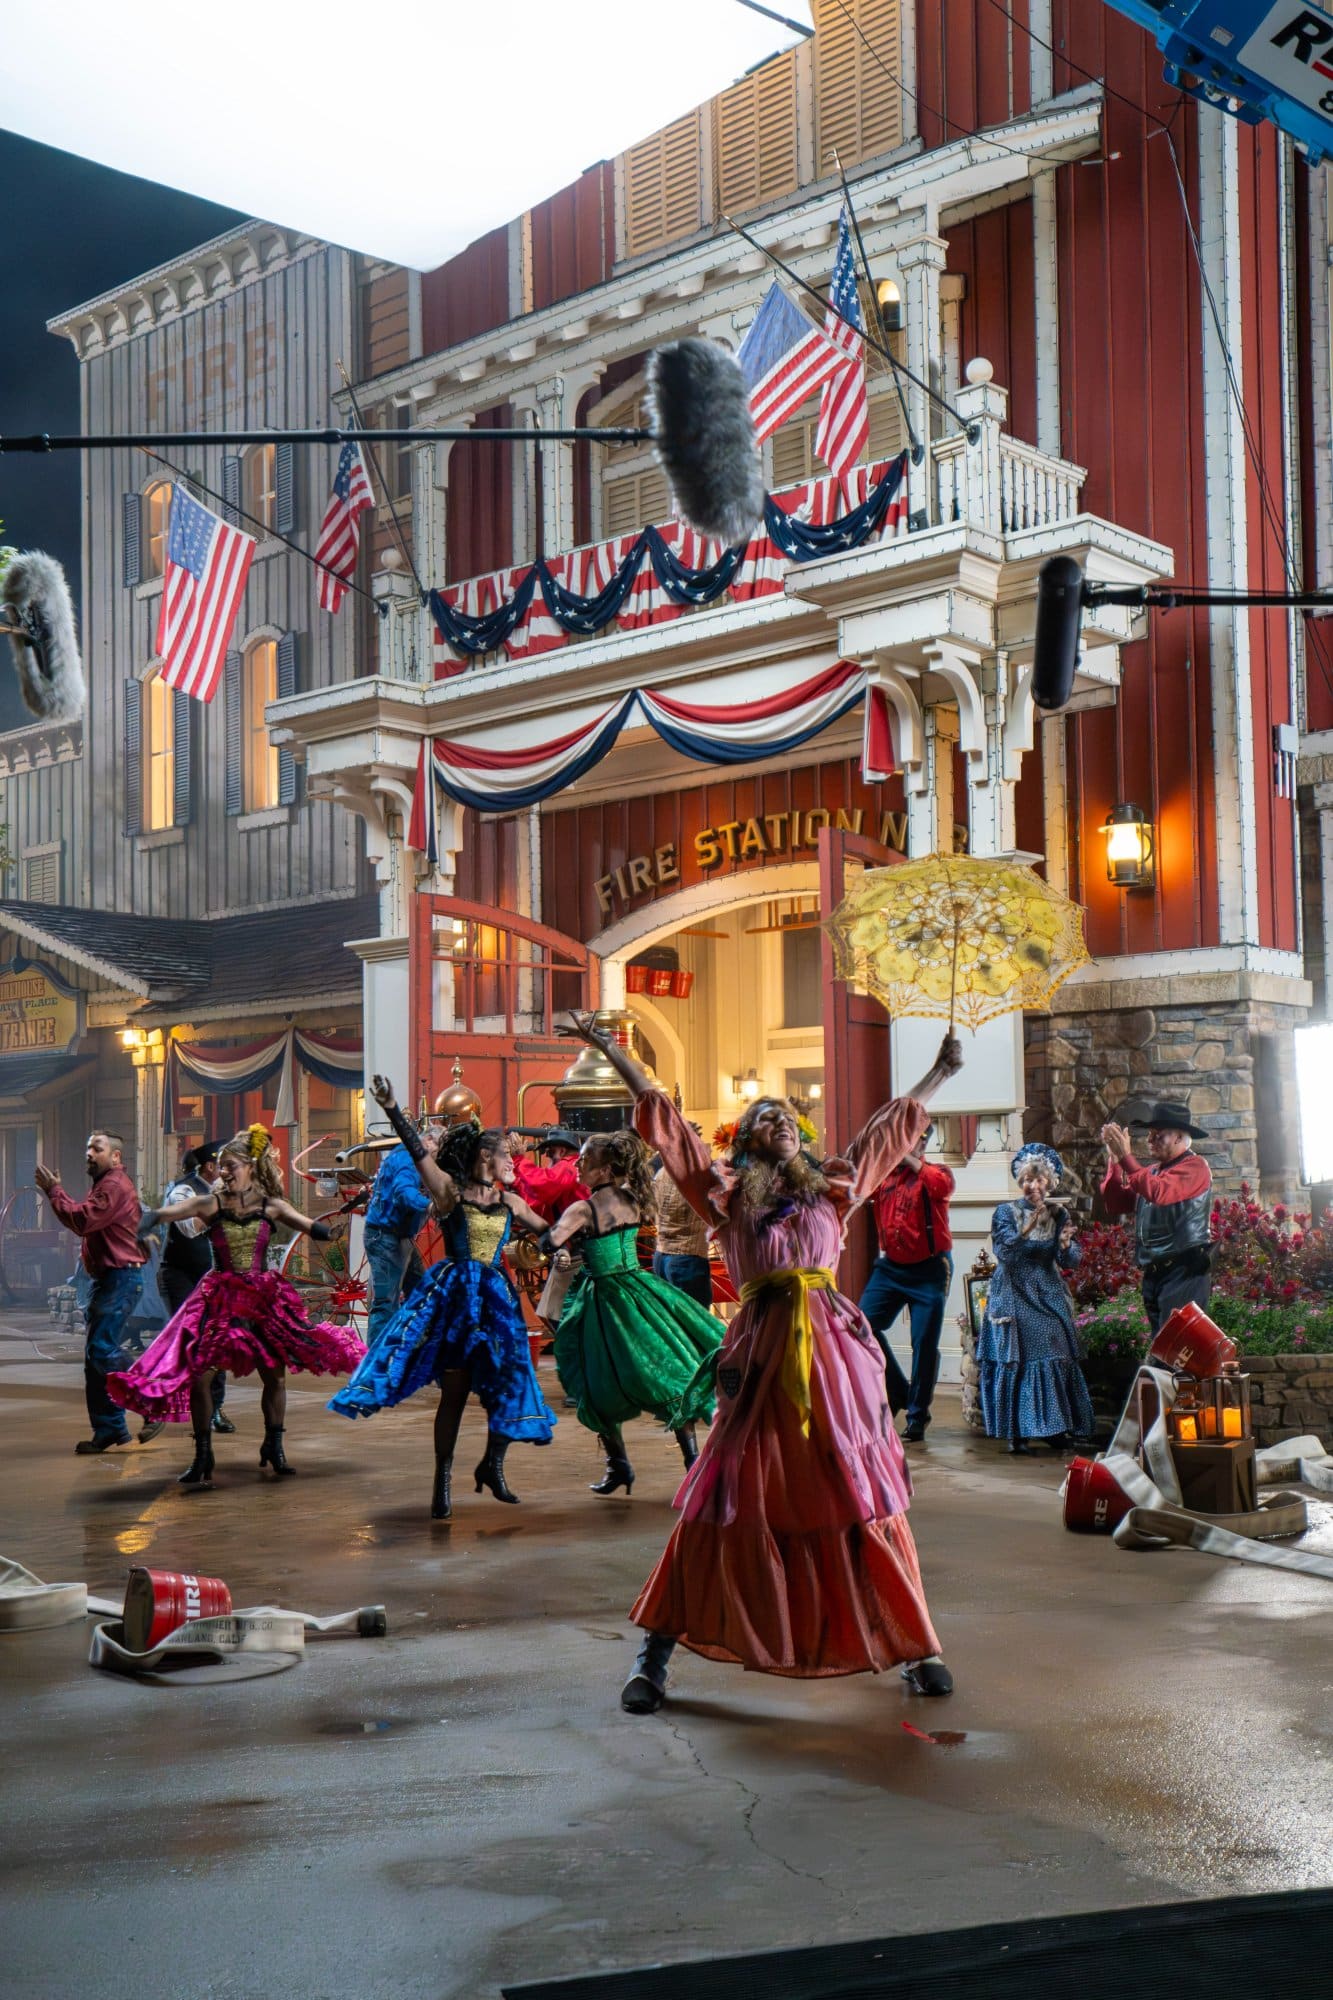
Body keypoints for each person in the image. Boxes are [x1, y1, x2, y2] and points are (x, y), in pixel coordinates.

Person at [557, 1013, 963, 1716]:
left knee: (856, 1492)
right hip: (758, 1355)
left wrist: (940, 1072)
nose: (779, 1119)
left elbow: (883, 1134)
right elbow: (670, 1127)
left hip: (833, 1356)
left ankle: (913, 1644)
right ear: (745, 1142)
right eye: (764, 1116)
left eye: (786, 1116)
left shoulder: (831, 1188)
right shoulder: (721, 1197)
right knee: (725, 1492)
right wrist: (608, 1050)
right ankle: (653, 1657)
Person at [330, 1077, 556, 1520]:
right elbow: (417, 1152)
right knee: (454, 1394)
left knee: (507, 1386)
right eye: (506, 1154)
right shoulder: (450, 1193)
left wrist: (564, 1247)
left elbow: (546, 1230)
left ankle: (493, 1464)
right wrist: (393, 1106)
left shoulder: (509, 1201)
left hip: (495, 1300)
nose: (513, 1160)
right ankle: (443, 1480)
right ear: (484, 1157)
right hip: (457, 1301)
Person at [109, 1125, 365, 1489]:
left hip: (263, 1297)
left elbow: (312, 1228)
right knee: (201, 1375)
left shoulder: (271, 1205)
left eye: (229, 1165)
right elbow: (163, 1214)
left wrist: (340, 1224)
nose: (222, 1171)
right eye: (220, 1165)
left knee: (274, 1375)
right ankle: (202, 1456)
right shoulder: (209, 1203)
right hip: (221, 1296)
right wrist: (145, 1227)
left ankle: (274, 1447)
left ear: (250, 1166)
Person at [546, 1128, 720, 1495]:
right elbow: (601, 1246)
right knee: (662, 1369)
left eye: (586, 1162)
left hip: (606, 1298)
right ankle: (653, 1466)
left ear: (606, 1170)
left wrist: (543, 1233)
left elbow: (551, 1239)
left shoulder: (583, 1208)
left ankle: (631, 1465)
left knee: (599, 1380)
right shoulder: (633, 1198)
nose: (577, 1165)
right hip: (638, 1288)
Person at [976, 1143, 1094, 1456]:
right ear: (1020, 1180)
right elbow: (1004, 1254)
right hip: (1014, 1291)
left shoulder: (1059, 1214)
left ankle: (1053, 1426)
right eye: (1027, 1179)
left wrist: (1067, 1245)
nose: (1033, 1186)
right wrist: (1026, 1228)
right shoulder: (1005, 1212)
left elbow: (1071, 1261)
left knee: (1057, 1342)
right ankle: (1018, 1430)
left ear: (1049, 1183)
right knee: (1023, 1350)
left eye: (1039, 1180)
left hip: (1046, 1291)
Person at [37, 1131, 150, 1456]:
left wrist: (53, 1190)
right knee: (95, 1358)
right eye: (88, 1147)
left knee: (101, 1350)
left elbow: (83, 1219)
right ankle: (110, 1428)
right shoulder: (105, 1185)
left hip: (120, 1278)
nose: (89, 1153)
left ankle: (149, 1397)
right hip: (111, 1278)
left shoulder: (113, 1186)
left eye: (96, 1148)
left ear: (115, 1156)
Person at [859, 1123, 955, 1444]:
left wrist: (910, 1158)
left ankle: (917, 1416)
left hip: (930, 1270)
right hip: (891, 1270)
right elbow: (858, 1189)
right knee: (860, 1326)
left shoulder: (936, 1172)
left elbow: (941, 1187)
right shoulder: (885, 1178)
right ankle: (897, 1389)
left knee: (923, 1343)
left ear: (922, 1143)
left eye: (911, 1141)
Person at [1100, 1102, 1214, 1335]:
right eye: (1150, 1134)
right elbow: (1116, 1203)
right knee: (1164, 1347)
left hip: (1185, 1272)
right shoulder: (1152, 1171)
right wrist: (1115, 1162)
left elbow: (1158, 1192)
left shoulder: (1196, 1167)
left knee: (1175, 1348)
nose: (1149, 1140)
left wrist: (1126, 1157)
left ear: (1179, 1137)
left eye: (1157, 1135)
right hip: (1156, 1274)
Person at [159, 1142, 233, 1434]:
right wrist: (219, 1207)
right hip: (179, 1275)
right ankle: (167, 1401)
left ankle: (215, 1409)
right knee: (188, 1339)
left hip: (211, 1275)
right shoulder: (184, 1190)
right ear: (210, 1167)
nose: (226, 1172)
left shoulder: (222, 1193)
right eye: (223, 1166)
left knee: (216, 1339)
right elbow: (189, 1228)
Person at [508, 1128, 589, 1331]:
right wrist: (515, 1179)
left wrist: (519, 1160)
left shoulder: (570, 1167)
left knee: (554, 1310)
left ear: (561, 1151)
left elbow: (544, 1185)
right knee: (553, 1309)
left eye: (549, 1152)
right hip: (571, 1247)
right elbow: (537, 1201)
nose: (546, 1157)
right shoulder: (568, 1171)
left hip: (578, 1248)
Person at [363, 1126, 435, 1349]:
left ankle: (417, 1353)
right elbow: (404, 1193)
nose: (437, 1158)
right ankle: (375, 1369)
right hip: (386, 1237)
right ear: (429, 1140)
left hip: (398, 1236)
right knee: (386, 1304)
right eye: (438, 1149)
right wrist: (431, 1206)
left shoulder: (406, 1154)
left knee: (421, 1292)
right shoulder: (407, 1159)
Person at [652, 1139, 715, 1311]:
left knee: (672, 1323)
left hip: (661, 1256)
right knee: (697, 1323)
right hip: (688, 1258)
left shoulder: (662, 1173)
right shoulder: (699, 1176)